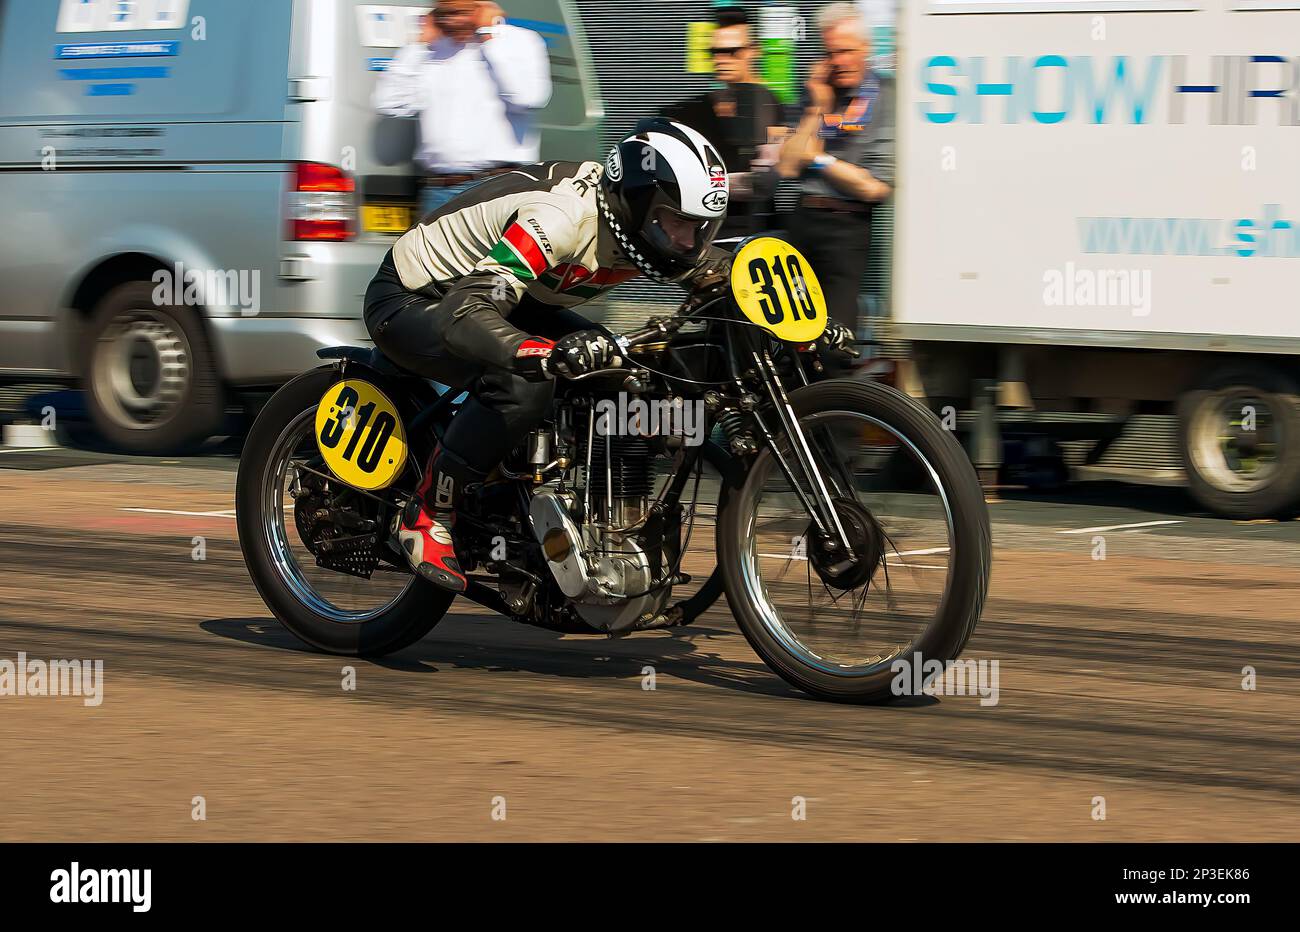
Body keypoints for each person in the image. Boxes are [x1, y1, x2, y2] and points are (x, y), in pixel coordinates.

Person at [363, 120, 734, 592]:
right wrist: (542, 354)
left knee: (625, 375)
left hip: (517, 300)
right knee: (523, 382)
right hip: (421, 298)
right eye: (677, 223)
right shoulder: (559, 218)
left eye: (700, 228)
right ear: (635, 205)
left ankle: (583, 524)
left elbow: (725, 272)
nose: (687, 242)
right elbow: (466, 312)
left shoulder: (651, 231)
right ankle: (428, 511)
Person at [777, 2, 894, 353]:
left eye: (846, 51)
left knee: (834, 339)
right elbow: (787, 165)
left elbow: (874, 187)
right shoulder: (816, 91)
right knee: (788, 332)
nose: (838, 61)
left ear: (866, 49)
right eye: (830, 53)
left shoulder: (886, 95)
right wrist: (818, 107)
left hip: (847, 228)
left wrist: (816, 157)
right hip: (804, 217)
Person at [373, 1, 553, 216]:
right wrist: (418, 45)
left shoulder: (519, 40)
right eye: (445, 13)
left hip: (499, 186)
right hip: (438, 190)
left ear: (481, 8)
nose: (452, 20)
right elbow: (389, 103)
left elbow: (528, 98)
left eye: (460, 12)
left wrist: (488, 37)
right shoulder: (432, 49)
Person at [662, 8, 784, 239]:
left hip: (752, 235)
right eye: (715, 52)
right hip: (704, 233)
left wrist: (700, 183)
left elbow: (763, 183)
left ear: (753, 51)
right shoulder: (694, 111)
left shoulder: (772, 107)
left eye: (731, 51)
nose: (720, 59)